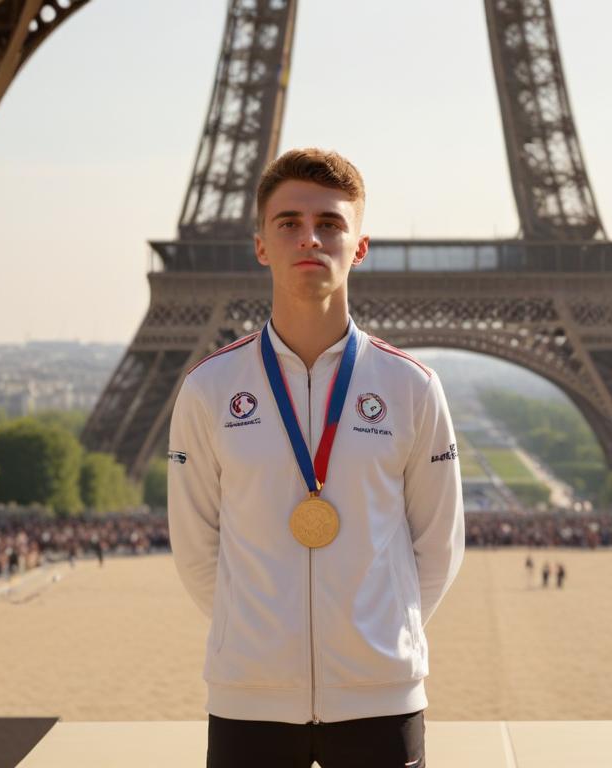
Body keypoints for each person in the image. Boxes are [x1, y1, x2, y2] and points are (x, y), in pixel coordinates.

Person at [168, 149, 464, 768]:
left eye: (330, 223)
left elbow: (438, 545)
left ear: (359, 247)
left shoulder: (412, 387)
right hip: (249, 697)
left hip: (381, 696)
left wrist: (380, 637)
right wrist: (256, 639)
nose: (310, 237)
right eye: (290, 223)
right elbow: (196, 548)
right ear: (261, 245)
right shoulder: (208, 388)